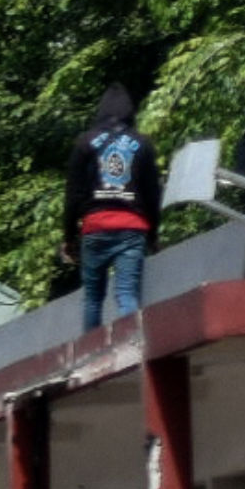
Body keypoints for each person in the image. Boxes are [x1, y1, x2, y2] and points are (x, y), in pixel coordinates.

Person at [64, 84, 163, 330]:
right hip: (132, 228)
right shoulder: (142, 144)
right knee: (126, 294)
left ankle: (90, 355)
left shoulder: (85, 143)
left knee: (93, 298)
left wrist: (69, 237)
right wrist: (153, 234)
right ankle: (131, 345)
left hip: (94, 227)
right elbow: (153, 193)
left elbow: (73, 193)